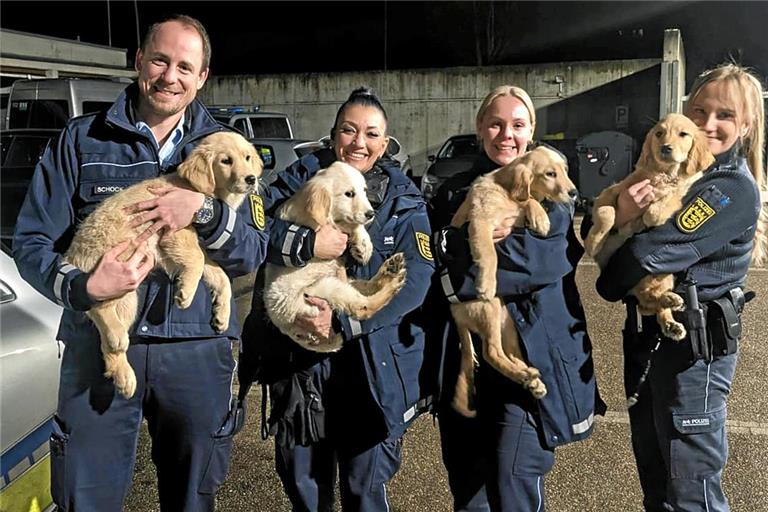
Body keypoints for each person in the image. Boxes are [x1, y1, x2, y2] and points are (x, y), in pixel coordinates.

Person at [13, 15, 269, 511]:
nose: (170, 76)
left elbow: (254, 250)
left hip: (195, 351)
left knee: (192, 498)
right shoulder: (80, 140)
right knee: (86, 498)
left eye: (184, 67)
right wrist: (83, 287)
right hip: (99, 348)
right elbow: (31, 242)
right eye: (160, 60)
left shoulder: (227, 149)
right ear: (138, 62)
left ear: (202, 78)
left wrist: (205, 210)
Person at [238, 87, 435, 511]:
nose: (358, 142)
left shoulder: (405, 200)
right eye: (349, 130)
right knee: (305, 488)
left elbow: (416, 281)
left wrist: (346, 323)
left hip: (369, 367)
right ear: (333, 136)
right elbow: (249, 230)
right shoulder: (298, 180)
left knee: (365, 491)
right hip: (299, 367)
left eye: (370, 134)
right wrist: (304, 244)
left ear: (385, 144)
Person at [594, 63, 767, 511]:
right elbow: (601, 233)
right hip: (652, 342)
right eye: (699, 111)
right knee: (657, 482)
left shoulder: (727, 188)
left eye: (725, 115)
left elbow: (640, 258)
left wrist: (619, 257)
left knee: (692, 491)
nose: (708, 124)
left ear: (746, 125)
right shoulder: (685, 175)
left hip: (694, 354)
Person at [427, 84, 605, 511]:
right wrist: (459, 245)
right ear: (480, 128)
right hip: (466, 361)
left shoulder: (551, 189)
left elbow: (530, 264)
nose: (506, 134)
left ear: (531, 131)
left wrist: (461, 255)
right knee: (468, 487)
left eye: (518, 125)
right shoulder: (453, 191)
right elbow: (427, 255)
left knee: (513, 480)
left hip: (530, 357)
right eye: (496, 123)